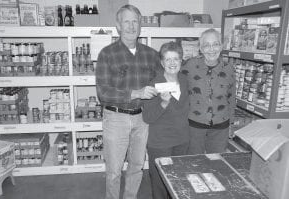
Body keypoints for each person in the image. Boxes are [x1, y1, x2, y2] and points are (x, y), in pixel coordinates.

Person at [95, 4, 162, 199]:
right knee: (114, 171)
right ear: (118, 25)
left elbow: (161, 81)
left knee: (136, 167)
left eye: (135, 21)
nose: (131, 26)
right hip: (116, 118)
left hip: (142, 119)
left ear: (140, 24)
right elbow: (103, 92)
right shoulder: (107, 54)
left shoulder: (151, 54)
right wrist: (135, 93)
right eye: (127, 22)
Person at [143, 41, 190, 199]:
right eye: (168, 59)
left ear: (181, 61)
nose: (172, 63)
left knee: (177, 182)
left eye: (176, 59)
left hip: (182, 141)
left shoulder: (185, 80)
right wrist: (163, 103)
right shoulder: (153, 85)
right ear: (162, 62)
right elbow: (147, 117)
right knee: (160, 186)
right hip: (160, 144)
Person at [182, 28, 236, 154]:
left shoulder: (229, 69)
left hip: (221, 125)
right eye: (206, 45)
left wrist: (231, 123)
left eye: (215, 44)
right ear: (200, 48)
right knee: (193, 161)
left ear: (221, 46)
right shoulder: (189, 65)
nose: (211, 49)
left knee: (216, 162)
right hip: (194, 124)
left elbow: (231, 98)